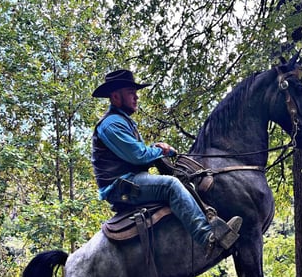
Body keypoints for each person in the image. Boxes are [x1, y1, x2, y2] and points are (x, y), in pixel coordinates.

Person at [90, 69, 241, 256]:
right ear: (115, 96)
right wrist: (161, 150)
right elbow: (137, 155)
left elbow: (137, 153)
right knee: (171, 185)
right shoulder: (111, 124)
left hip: (131, 180)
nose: (136, 97)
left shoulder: (122, 121)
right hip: (121, 187)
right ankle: (207, 238)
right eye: (131, 93)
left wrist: (154, 148)